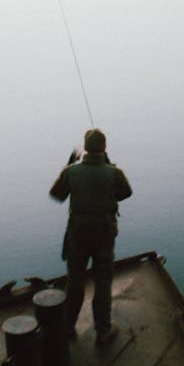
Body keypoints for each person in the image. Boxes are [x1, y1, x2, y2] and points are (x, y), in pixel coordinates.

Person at [49, 128, 132, 346]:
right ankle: (103, 330)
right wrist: (109, 173)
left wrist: (68, 165)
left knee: (75, 279)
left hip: (78, 233)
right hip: (104, 233)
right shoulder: (114, 172)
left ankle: (68, 327)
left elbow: (56, 195)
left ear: (85, 148)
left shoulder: (71, 172)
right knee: (103, 281)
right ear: (104, 148)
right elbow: (126, 193)